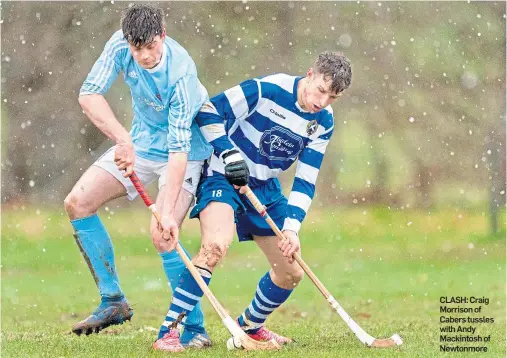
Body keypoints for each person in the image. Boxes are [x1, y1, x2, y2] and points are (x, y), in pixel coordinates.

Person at [152, 51, 352, 351]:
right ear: (309, 75)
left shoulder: (323, 121)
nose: (322, 102)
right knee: (215, 246)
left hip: (265, 188)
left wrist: (293, 228)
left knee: (291, 271)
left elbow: (306, 179)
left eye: (333, 97)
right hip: (223, 176)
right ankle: (170, 332)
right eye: (321, 90)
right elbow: (208, 111)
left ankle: (251, 327)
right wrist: (229, 153)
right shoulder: (268, 89)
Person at [64, 4, 213, 348]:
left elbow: (179, 151)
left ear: (163, 35)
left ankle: (195, 329)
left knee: (162, 235)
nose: (144, 56)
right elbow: (89, 94)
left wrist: (168, 210)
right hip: (141, 143)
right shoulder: (121, 44)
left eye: (151, 47)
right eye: (137, 49)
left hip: (186, 152)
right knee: (78, 203)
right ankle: (113, 300)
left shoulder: (181, 75)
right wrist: (123, 139)